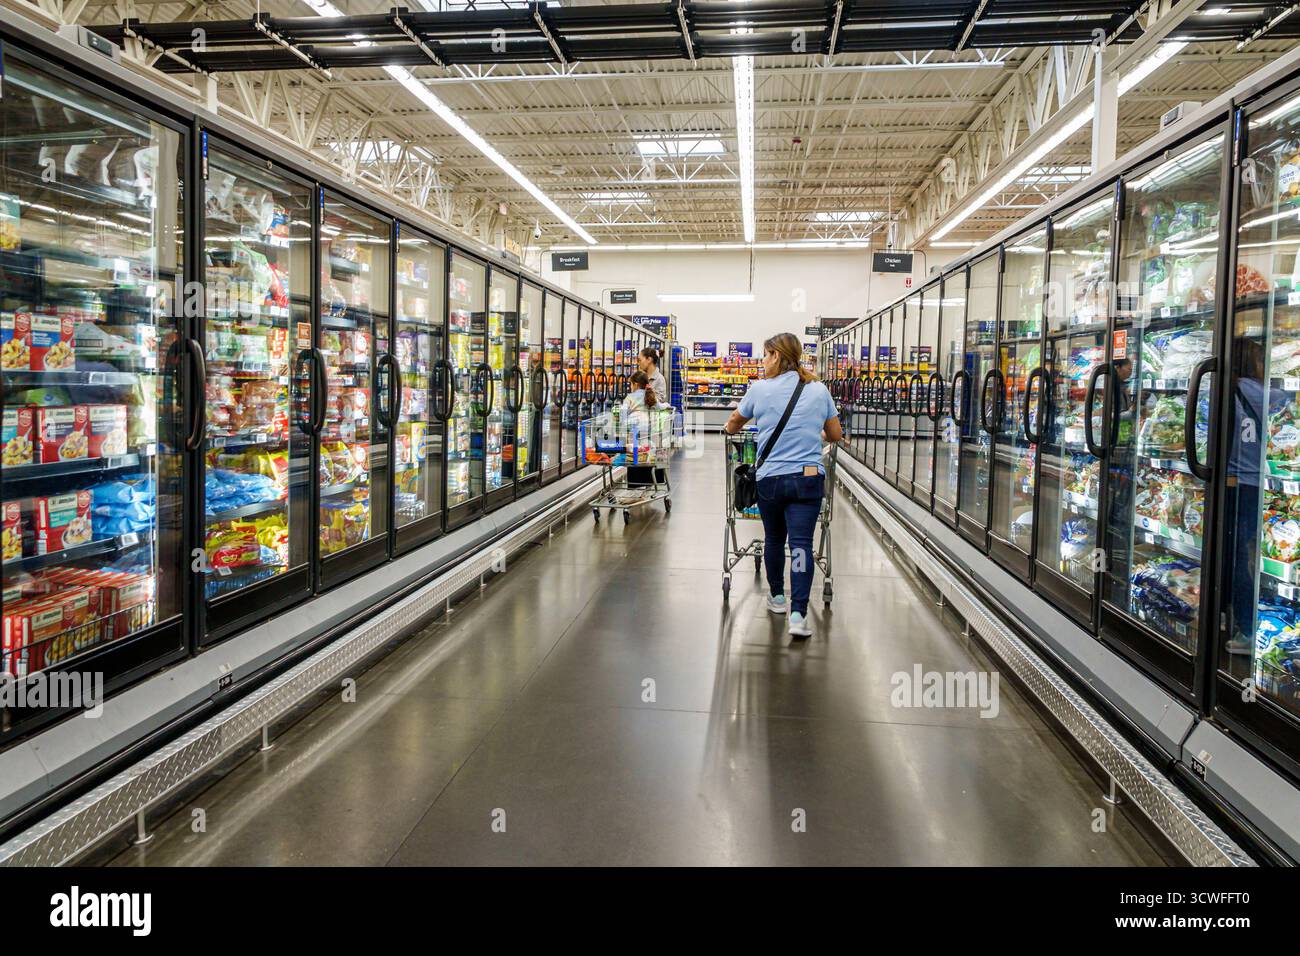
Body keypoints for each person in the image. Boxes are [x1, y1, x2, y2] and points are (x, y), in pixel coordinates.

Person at [725, 333, 842, 638]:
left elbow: (734, 423)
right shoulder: (818, 389)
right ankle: (799, 614)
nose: (762, 362)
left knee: (775, 539)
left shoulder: (759, 389)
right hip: (807, 479)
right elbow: (836, 434)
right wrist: (813, 436)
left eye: (765, 355)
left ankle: (777, 596)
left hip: (771, 481)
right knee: (801, 545)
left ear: (776, 356)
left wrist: (735, 425)